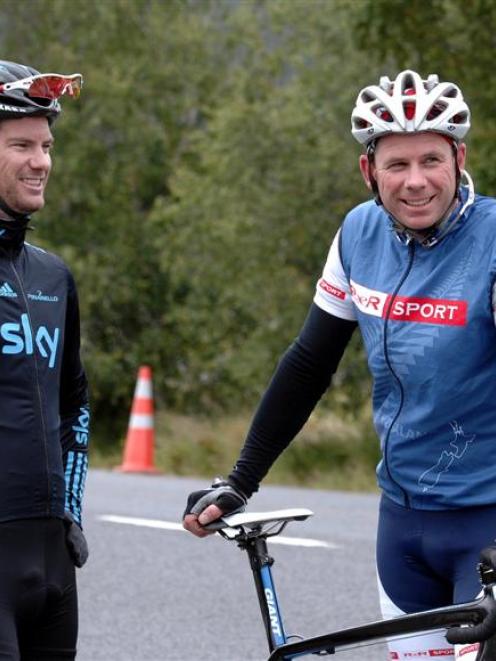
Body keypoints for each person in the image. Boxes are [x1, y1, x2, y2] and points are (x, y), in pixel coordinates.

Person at [183, 69, 496, 660]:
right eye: (396, 165)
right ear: (368, 170)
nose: (416, 181)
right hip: (403, 529)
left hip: (488, 522)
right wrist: (241, 480)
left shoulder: (493, 240)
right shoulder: (358, 235)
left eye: (431, 160)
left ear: (459, 158)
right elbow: (309, 364)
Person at [0, 60, 89, 660]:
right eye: (21, 145)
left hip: (51, 563)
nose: (42, 162)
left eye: (46, 145)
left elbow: (74, 402)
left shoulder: (52, 275)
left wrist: (70, 514)